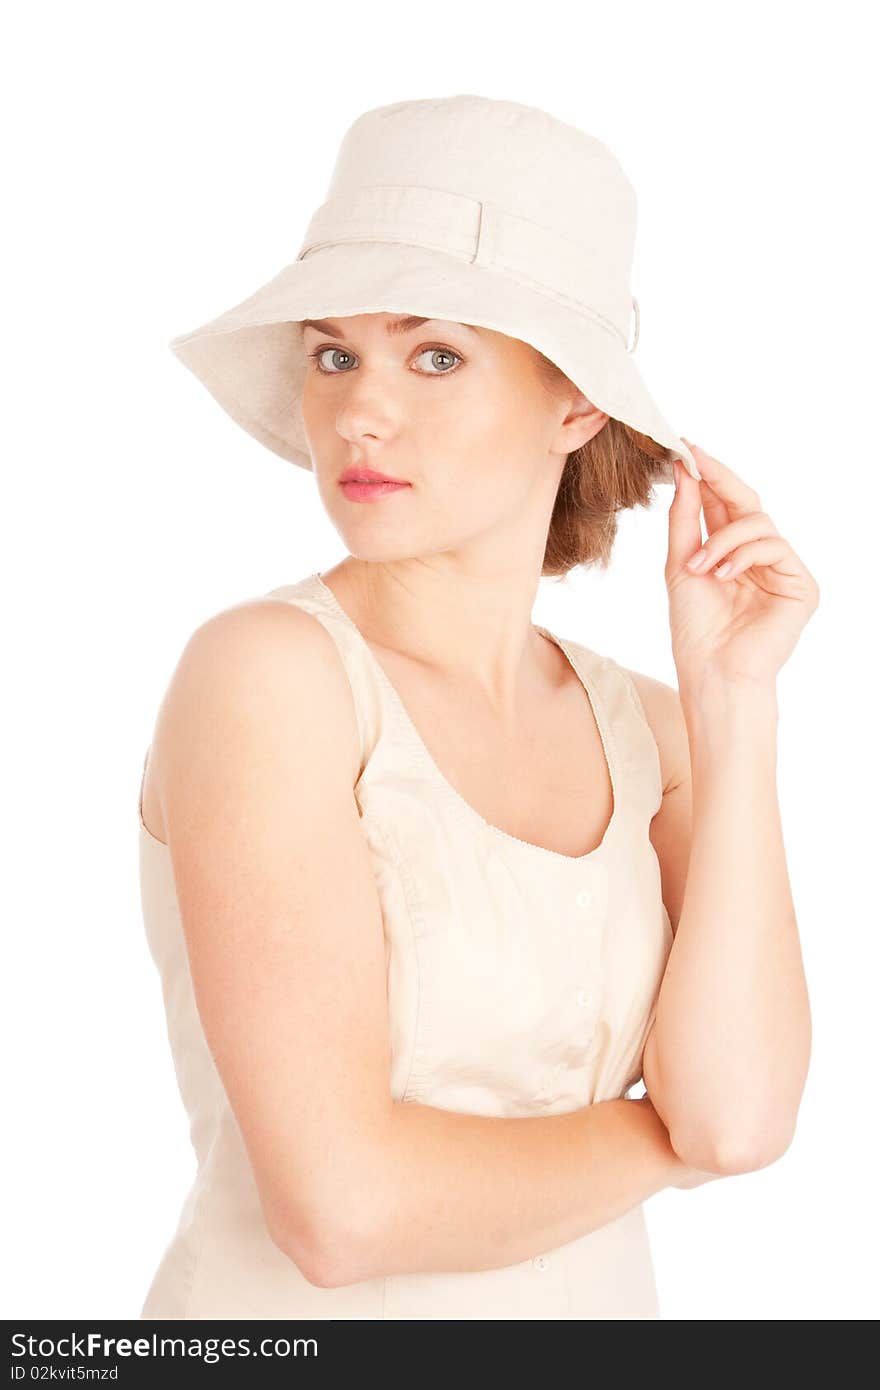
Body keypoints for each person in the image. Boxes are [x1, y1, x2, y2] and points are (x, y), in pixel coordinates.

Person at [137, 95, 817, 1320]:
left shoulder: (656, 733)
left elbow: (741, 1105)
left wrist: (737, 705)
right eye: (333, 352)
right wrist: (668, 1141)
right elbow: (339, 1211)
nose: (359, 408)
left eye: (434, 354)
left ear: (577, 405)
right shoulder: (268, 676)